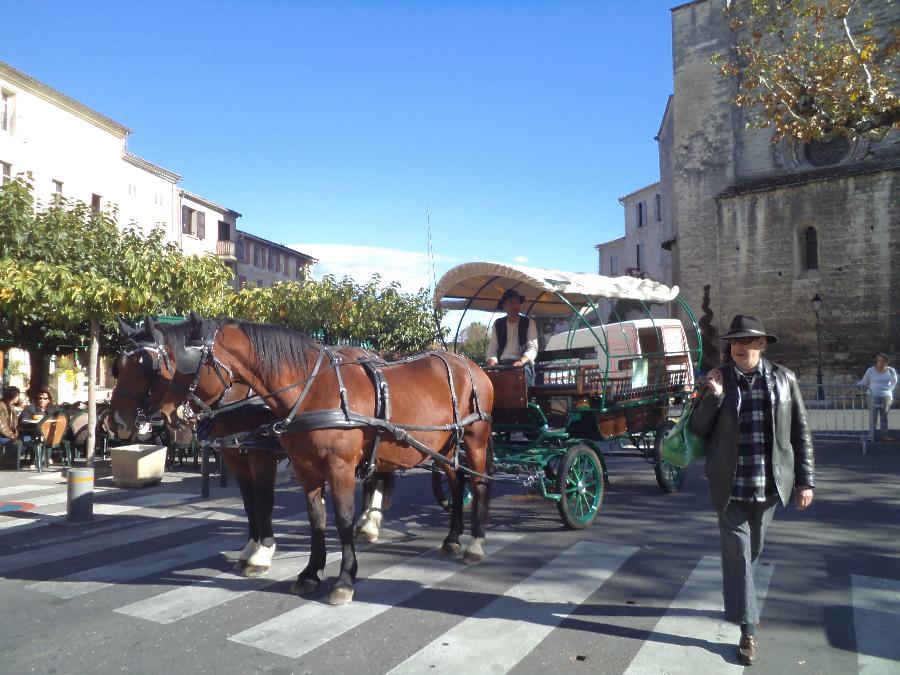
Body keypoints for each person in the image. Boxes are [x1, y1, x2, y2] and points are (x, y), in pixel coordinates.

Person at [689, 314, 815, 666]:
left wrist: (806, 481)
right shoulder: (716, 379)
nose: (737, 347)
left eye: (745, 341)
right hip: (728, 485)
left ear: (761, 345)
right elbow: (698, 429)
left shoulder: (784, 379)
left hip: (769, 486)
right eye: (733, 342)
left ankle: (740, 599)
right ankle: (748, 630)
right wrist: (712, 398)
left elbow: (799, 434)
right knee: (739, 554)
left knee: (750, 552)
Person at [485, 288, 538, 387]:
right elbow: (492, 348)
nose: (514, 305)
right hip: (502, 365)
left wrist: (521, 361)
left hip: (523, 365)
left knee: (518, 378)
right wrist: (491, 361)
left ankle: (519, 402)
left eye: (516, 302)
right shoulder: (498, 324)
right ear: (504, 307)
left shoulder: (529, 323)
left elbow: (532, 349)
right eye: (510, 303)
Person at [856, 353, 897, 442]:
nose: (881, 362)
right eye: (879, 360)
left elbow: (894, 381)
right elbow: (864, 382)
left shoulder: (891, 371)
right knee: (873, 417)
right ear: (877, 361)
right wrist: (856, 387)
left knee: (884, 417)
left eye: (883, 361)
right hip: (872, 395)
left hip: (886, 396)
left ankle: (884, 436)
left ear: (887, 362)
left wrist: (888, 390)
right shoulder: (870, 370)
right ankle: (871, 436)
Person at [19, 388, 60, 466]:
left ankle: (45, 457)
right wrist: (32, 419)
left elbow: (59, 420)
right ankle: (36, 459)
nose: (42, 400)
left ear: (49, 399)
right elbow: (23, 420)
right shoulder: (30, 408)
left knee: (45, 436)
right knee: (36, 436)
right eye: (39, 398)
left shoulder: (54, 409)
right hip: (31, 432)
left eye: (45, 398)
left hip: (51, 433)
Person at [0, 386, 21, 467]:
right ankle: (6, 462)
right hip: (2, 435)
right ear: (14, 395)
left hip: (6, 434)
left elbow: (14, 423)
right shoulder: (1, 406)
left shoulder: (10, 406)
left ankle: (11, 461)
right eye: (18, 395)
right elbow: (2, 425)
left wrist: (16, 433)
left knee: (25, 441)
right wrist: (12, 436)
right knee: (14, 443)